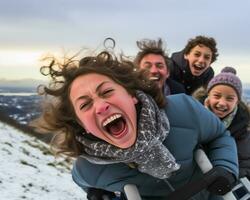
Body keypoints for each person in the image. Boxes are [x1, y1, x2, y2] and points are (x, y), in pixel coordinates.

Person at [33, 50, 238, 200]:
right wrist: (98, 194)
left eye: (106, 92)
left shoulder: (184, 110)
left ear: (131, 96)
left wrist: (225, 168)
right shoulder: (90, 167)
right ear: (81, 124)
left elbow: (220, 136)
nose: (101, 106)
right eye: (85, 104)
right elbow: (83, 181)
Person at [193, 66, 250, 180]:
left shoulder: (242, 126)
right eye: (217, 96)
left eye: (229, 99)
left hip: (216, 180)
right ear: (208, 95)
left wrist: (230, 176)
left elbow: (244, 161)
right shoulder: (192, 113)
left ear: (237, 101)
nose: (222, 103)